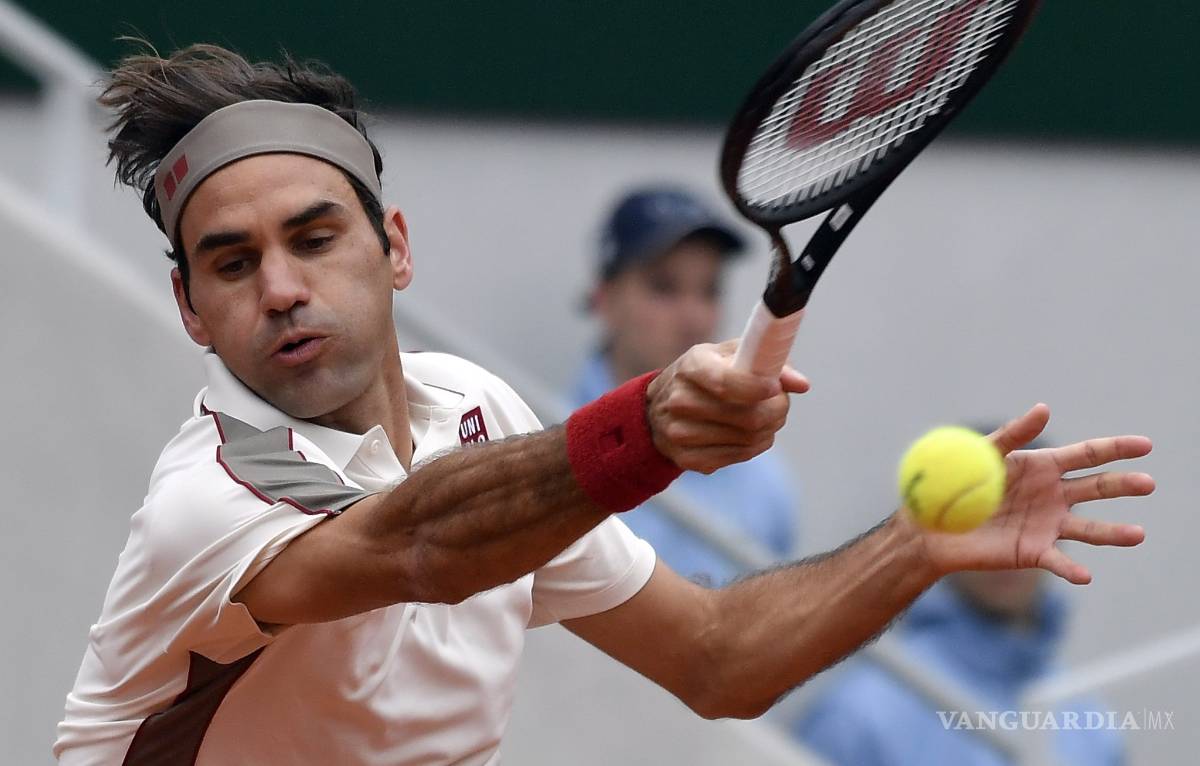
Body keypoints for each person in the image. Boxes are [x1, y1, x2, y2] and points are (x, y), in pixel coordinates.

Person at [55, 44, 1155, 766]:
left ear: (394, 249)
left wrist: (914, 546)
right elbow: (425, 541)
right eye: (232, 263)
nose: (283, 287)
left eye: (313, 237)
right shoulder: (210, 499)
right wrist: (650, 426)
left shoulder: (473, 409)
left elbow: (719, 657)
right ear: (191, 309)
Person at [798, 429, 1126, 766]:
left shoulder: (1089, 720)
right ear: (940, 531)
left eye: (1029, 522)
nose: (1009, 552)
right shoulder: (860, 714)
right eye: (983, 520)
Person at [574, 186, 798, 584]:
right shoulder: (541, 443)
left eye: (710, 290)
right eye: (664, 287)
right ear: (605, 300)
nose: (694, 318)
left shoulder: (765, 480)